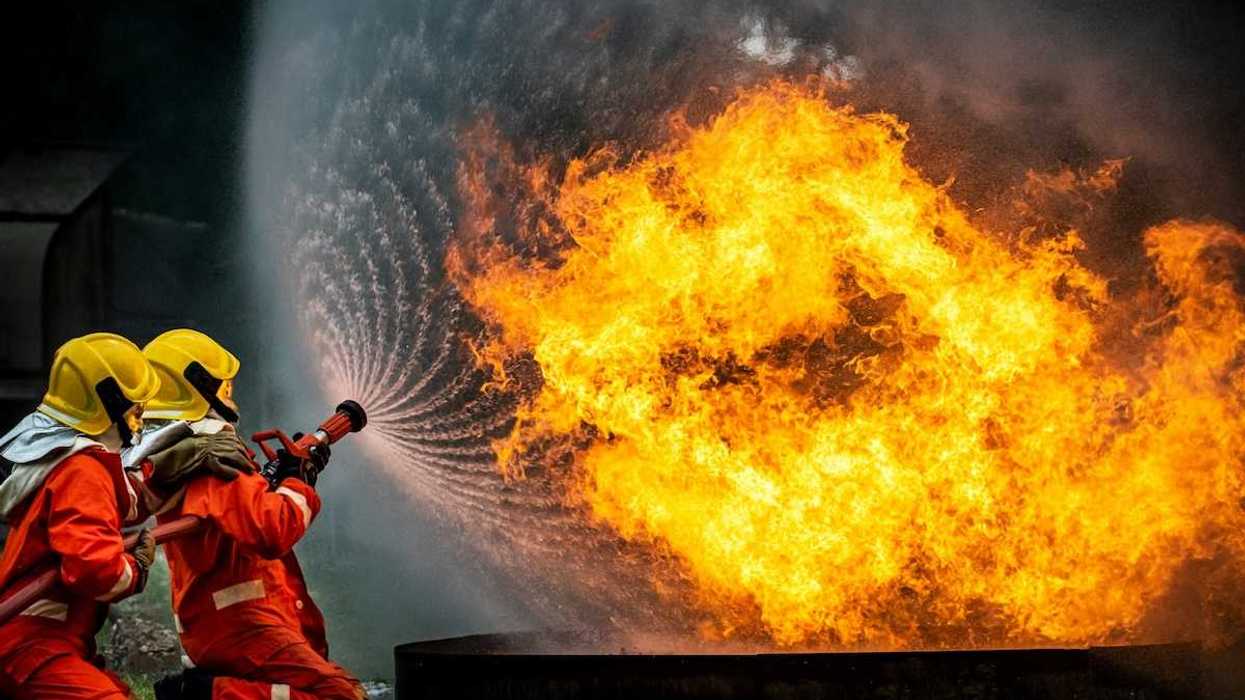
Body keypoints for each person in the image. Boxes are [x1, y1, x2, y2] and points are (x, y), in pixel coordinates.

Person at [0, 333, 246, 700]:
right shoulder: (82, 471)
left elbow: (121, 503)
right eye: (136, 408)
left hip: (52, 640)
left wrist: (167, 470)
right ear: (110, 404)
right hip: (34, 646)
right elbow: (91, 568)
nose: (141, 417)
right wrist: (135, 567)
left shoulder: (74, 458)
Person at [134, 329, 363, 700]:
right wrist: (296, 482)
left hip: (227, 619)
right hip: (240, 624)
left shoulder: (183, 456)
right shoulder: (211, 458)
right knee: (338, 695)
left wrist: (282, 481)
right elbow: (272, 529)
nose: (230, 393)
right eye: (224, 387)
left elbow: (244, 514)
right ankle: (205, 695)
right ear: (200, 389)